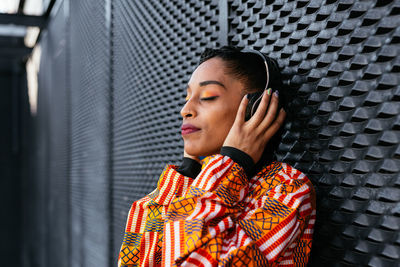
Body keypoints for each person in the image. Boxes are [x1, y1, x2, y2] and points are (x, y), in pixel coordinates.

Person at [118, 46, 316, 266]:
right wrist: (187, 172)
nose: (185, 109)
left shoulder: (285, 190)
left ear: (255, 108)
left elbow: (192, 262)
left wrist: (232, 163)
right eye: (187, 97)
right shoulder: (186, 187)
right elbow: (135, 250)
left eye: (208, 96)